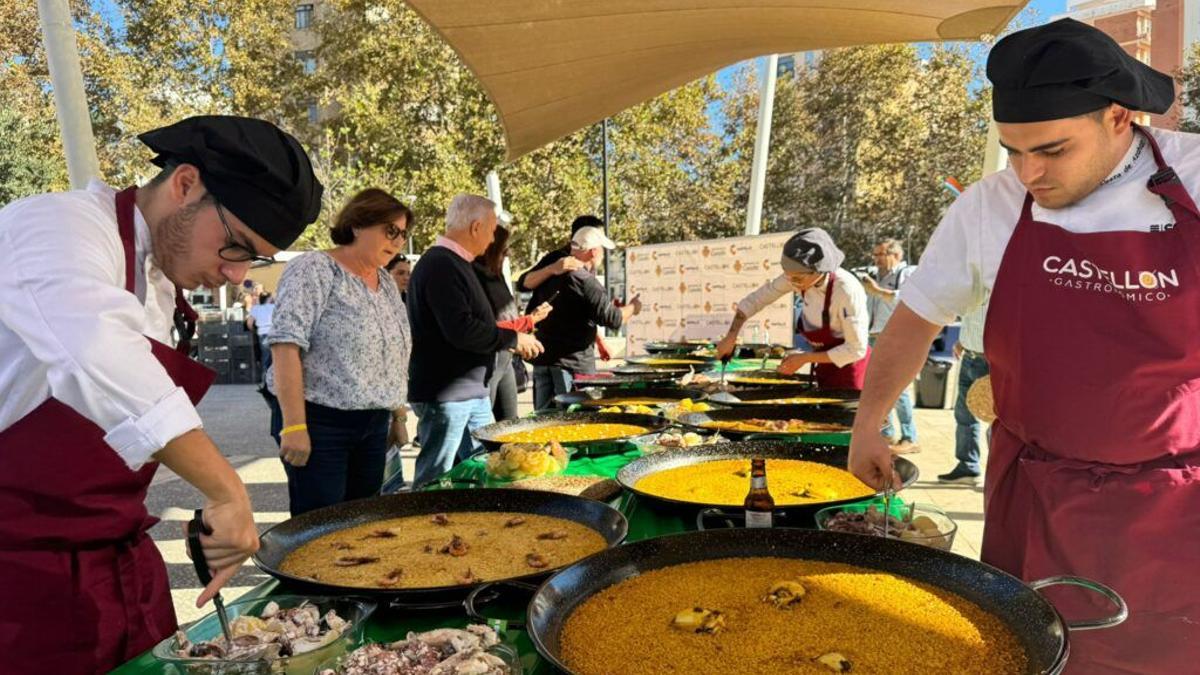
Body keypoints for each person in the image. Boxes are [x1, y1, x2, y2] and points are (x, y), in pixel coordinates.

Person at [849, 19, 1200, 672]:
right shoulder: (991, 205)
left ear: (1120, 117)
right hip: (1033, 495)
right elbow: (915, 317)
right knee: (1026, 655)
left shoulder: (1196, 177)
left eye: (1052, 149)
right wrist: (869, 421)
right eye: (1013, 150)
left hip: (1173, 504)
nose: (1028, 170)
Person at [0, 115, 322, 673]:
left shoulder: (160, 278)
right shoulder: (56, 225)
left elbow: (145, 428)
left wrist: (209, 511)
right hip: (18, 582)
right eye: (235, 246)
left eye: (253, 259)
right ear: (185, 185)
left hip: (117, 569)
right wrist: (226, 489)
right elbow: (99, 352)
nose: (235, 272)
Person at [266, 188, 412, 516]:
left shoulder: (386, 282)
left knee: (363, 524)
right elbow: (286, 344)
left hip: (372, 423)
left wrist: (397, 415)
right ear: (358, 224)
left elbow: (396, 351)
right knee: (320, 527)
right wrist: (293, 426)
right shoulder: (315, 268)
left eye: (403, 234)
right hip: (321, 422)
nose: (398, 241)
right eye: (390, 231)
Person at [408, 195, 543, 487]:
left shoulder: (456, 263)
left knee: (487, 468)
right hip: (448, 396)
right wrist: (513, 337)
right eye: (493, 229)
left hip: (470, 392)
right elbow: (462, 329)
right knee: (435, 479)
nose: (494, 238)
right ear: (476, 226)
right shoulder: (441, 264)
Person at [717, 228, 870, 390]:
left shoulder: (846, 290)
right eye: (788, 276)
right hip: (824, 364)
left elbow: (856, 349)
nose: (791, 282)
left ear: (818, 271)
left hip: (851, 370)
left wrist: (804, 358)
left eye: (797, 278)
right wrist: (731, 336)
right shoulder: (795, 277)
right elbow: (754, 301)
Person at [527, 226, 641, 409]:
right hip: (572, 366)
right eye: (602, 251)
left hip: (543, 361)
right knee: (573, 422)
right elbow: (613, 319)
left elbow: (574, 314)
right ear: (594, 252)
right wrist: (633, 307)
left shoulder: (552, 273)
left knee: (544, 421)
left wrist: (599, 341)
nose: (602, 256)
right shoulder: (585, 281)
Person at [474, 225, 552, 421]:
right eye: (503, 250)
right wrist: (528, 322)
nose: (506, 254)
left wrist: (528, 322)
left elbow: (503, 320)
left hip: (504, 360)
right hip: (487, 362)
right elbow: (485, 328)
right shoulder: (474, 277)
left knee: (509, 422)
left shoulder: (495, 276)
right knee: (484, 426)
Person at [517, 214, 613, 361]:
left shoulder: (585, 267)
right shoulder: (558, 259)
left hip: (559, 355)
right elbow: (523, 283)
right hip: (564, 358)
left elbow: (585, 310)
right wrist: (552, 269)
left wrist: (600, 341)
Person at [864, 239, 919, 452]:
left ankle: (909, 436)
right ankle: (885, 433)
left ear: (895, 255)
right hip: (873, 337)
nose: (876, 259)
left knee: (898, 389)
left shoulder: (906, 274)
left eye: (880, 254)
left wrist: (877, 290)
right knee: (876, 388)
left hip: (896, 338)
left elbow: (908, 300)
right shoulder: (875, 276)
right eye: (875, 255)